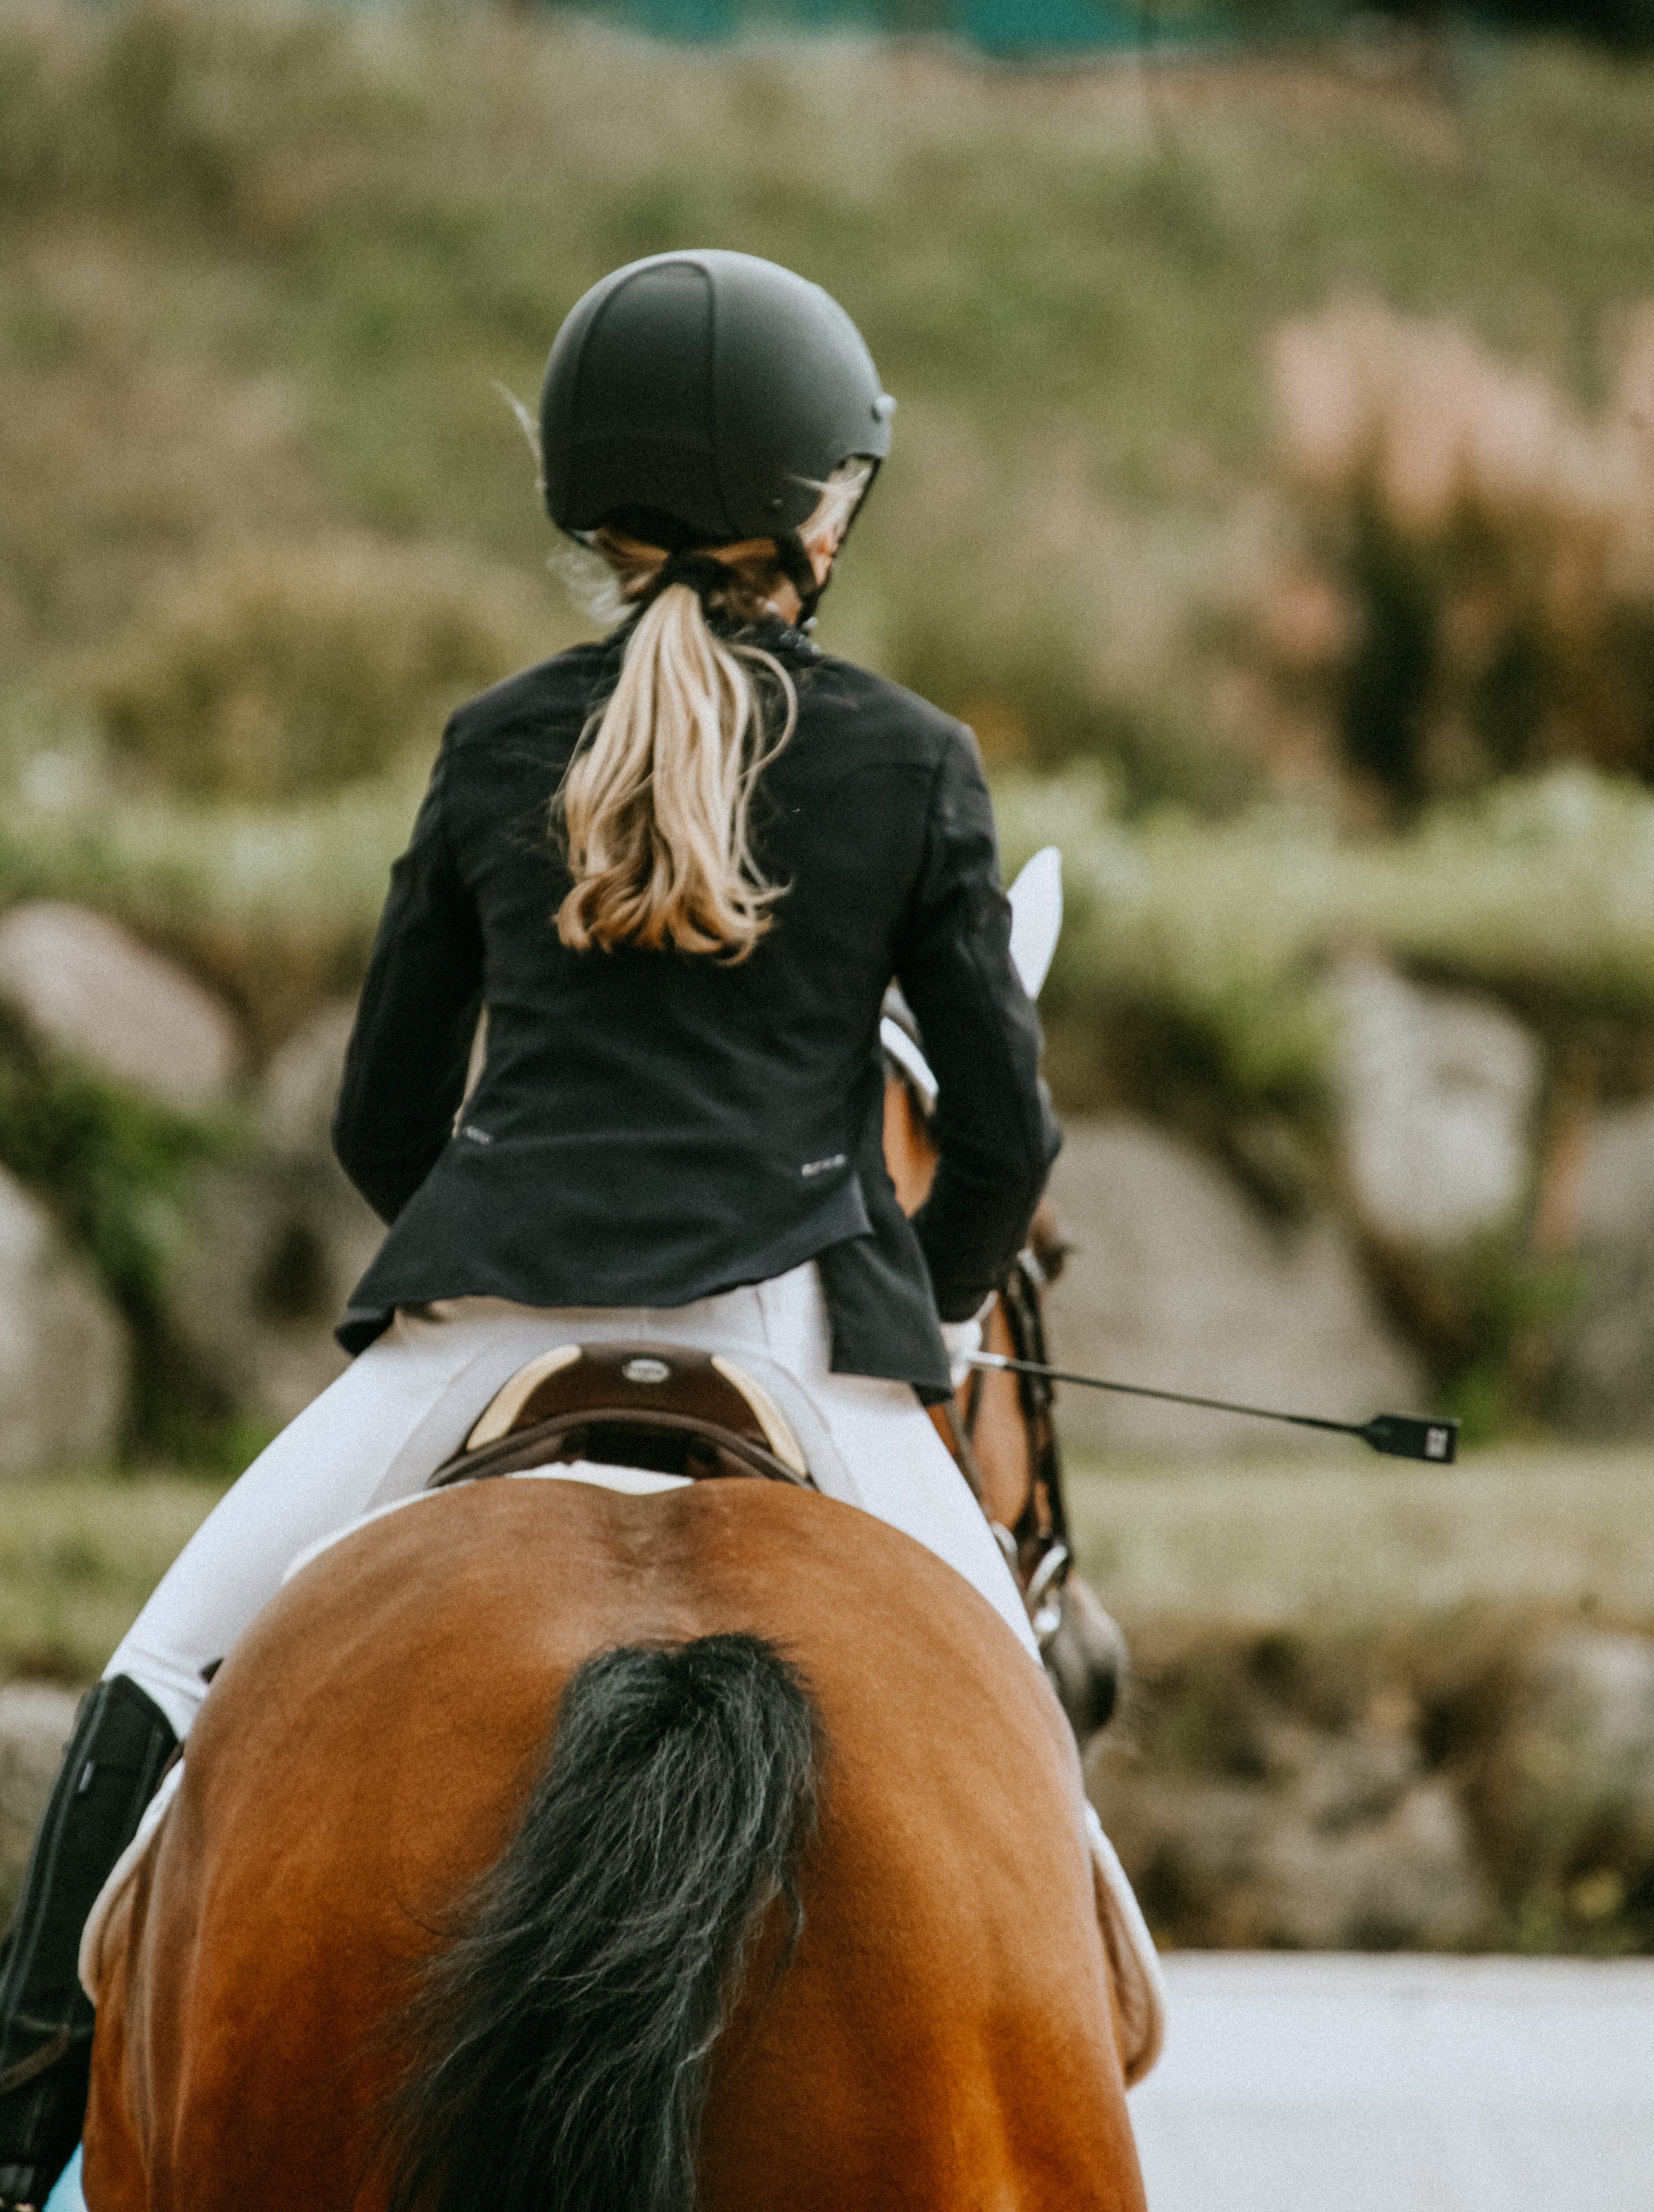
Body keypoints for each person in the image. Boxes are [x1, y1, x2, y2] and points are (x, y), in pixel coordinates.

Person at [0, 248, 1060, 2207]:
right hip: (804, 1352)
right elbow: (1002, 1131)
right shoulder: (917, 762)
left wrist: (504, 1250)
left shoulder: (498, 741)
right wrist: (907, 1310)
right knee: (1019, 1763)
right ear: (823, 510)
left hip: (474, 1338)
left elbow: (380, 1116)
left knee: (155, 1683)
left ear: (590, 503)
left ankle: (9, 2135)